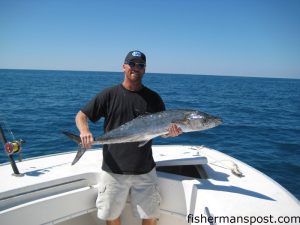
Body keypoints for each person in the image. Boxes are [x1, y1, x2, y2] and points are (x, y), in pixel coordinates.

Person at [75, 50, 182, 225]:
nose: (136, 68)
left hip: (145, 169)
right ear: (124, 67)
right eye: (132, 64)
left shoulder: (154, 98)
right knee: (111, 216)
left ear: (144, 69)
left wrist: (169, 133)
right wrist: (85, 131)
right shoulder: (109, 94)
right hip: (113, 169)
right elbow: (81, 116)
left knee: (150, 216)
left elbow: (161, 131)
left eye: (140, 65)